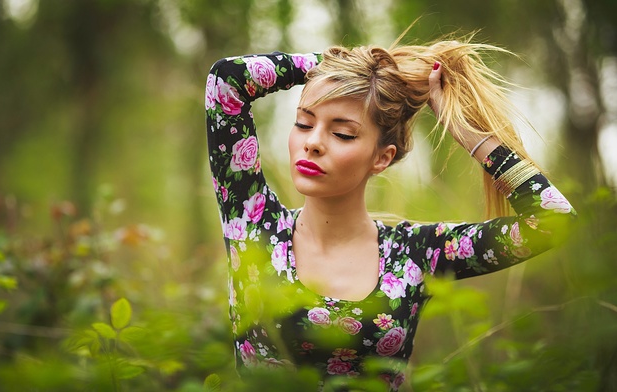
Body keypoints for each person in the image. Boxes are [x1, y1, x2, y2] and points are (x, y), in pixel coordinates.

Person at [204, 35, 575, 391]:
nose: (313, 142)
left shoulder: (415, 254)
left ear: (383, 157)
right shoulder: (252, 221)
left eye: (343, 134)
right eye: (304, 122)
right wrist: (346, 69)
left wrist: (462, 128)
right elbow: (227, 80)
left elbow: (551, 221)